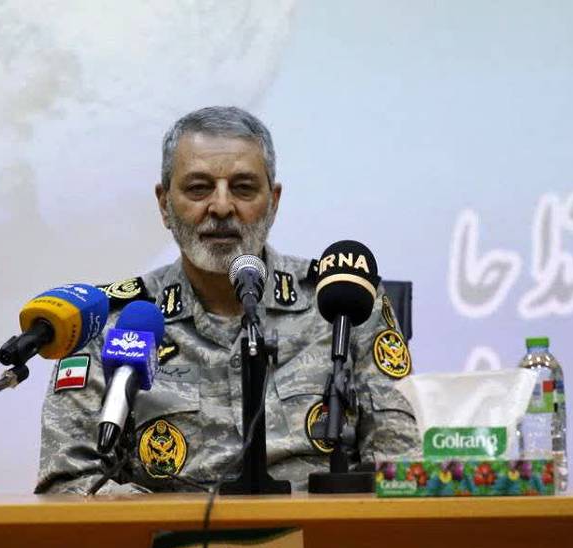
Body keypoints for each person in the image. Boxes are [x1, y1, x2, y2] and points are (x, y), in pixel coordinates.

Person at [35, 106, 418, 494]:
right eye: (198, 188)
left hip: (323, 529)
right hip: (166, 531)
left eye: (243, 188)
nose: (220, 207)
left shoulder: (346, 305)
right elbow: (67, 482)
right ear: (164, 204)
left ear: (274, 202)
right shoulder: (107, 322)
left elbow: (403, 464)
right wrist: (162, 518)